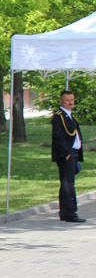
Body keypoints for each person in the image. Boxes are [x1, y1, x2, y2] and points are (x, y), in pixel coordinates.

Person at [51, 90, 85, 223]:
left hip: (73, 153)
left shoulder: (69, 116)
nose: (70, 102)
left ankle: (65, 211)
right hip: (67, 154)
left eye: (72, 99)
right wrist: (66, 153)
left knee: (67, 183)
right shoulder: (59, 117)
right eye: (67, 100)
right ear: (61, 101)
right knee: (68, 184)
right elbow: (58, 137)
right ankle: (70, 212)